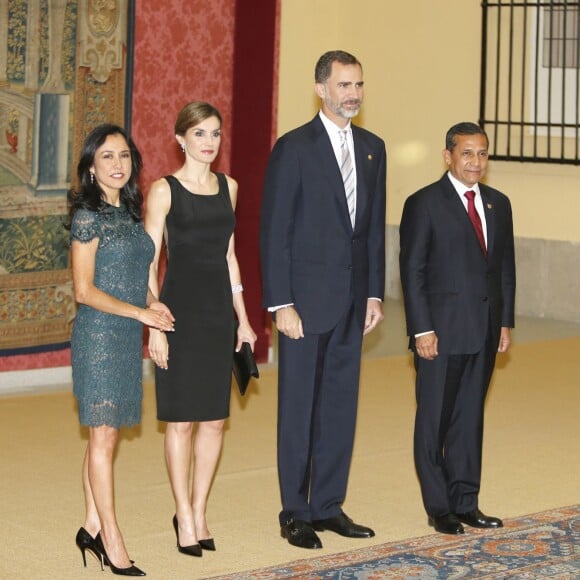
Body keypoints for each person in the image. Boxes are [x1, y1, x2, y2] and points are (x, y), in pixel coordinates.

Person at [260, 50, 387, 549]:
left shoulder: (374, 148)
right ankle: (295, 510)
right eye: (343, 85)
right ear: (321, 89)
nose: (352, 94)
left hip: (354, 304)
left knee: (339, 405)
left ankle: (328, 504)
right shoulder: (293, 147)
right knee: (298, 408)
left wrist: (375, 291)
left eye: (358, 84)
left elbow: (372, 229)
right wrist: (280, 302)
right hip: (303, 304)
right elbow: (275, 232)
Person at [146, 101, 256, 558]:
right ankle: (182, 514)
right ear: (180, 139)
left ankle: (199, 508)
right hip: (177, 313)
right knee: (181, 421)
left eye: (215, 134)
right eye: (200, 134)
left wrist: (244, 319)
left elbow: (229, 257)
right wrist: (153, 319)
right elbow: (149, 262)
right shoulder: (163, 191)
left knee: (214, 420)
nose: (209, 142)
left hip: (217, 314)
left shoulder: (229, 187)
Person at [399, 122, 516, 535]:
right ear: (448, 155)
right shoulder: (424, 203)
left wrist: (504, 321)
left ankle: (466, 501)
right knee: (434, 420)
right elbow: (411, 272)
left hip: (483, 331)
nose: (476, 162)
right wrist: (421, 330)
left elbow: (503, 268)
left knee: (469, 420)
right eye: (467, 153)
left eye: (482, 153)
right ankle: (439, 506)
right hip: (441, 334)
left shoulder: (499, 203)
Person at [68, 123, 175, 576]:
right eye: (107, 157)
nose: (117, 164)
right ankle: (112, 537)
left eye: (124, 156)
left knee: (103, 438)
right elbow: (84, 290)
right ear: (92, 168)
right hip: (98, 337)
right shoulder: (87, 216)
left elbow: (137, 281)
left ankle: (90, 525)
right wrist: (140, 315)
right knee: (104, 435)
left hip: (127, 335)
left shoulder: (131, 214)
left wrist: (155, 306)